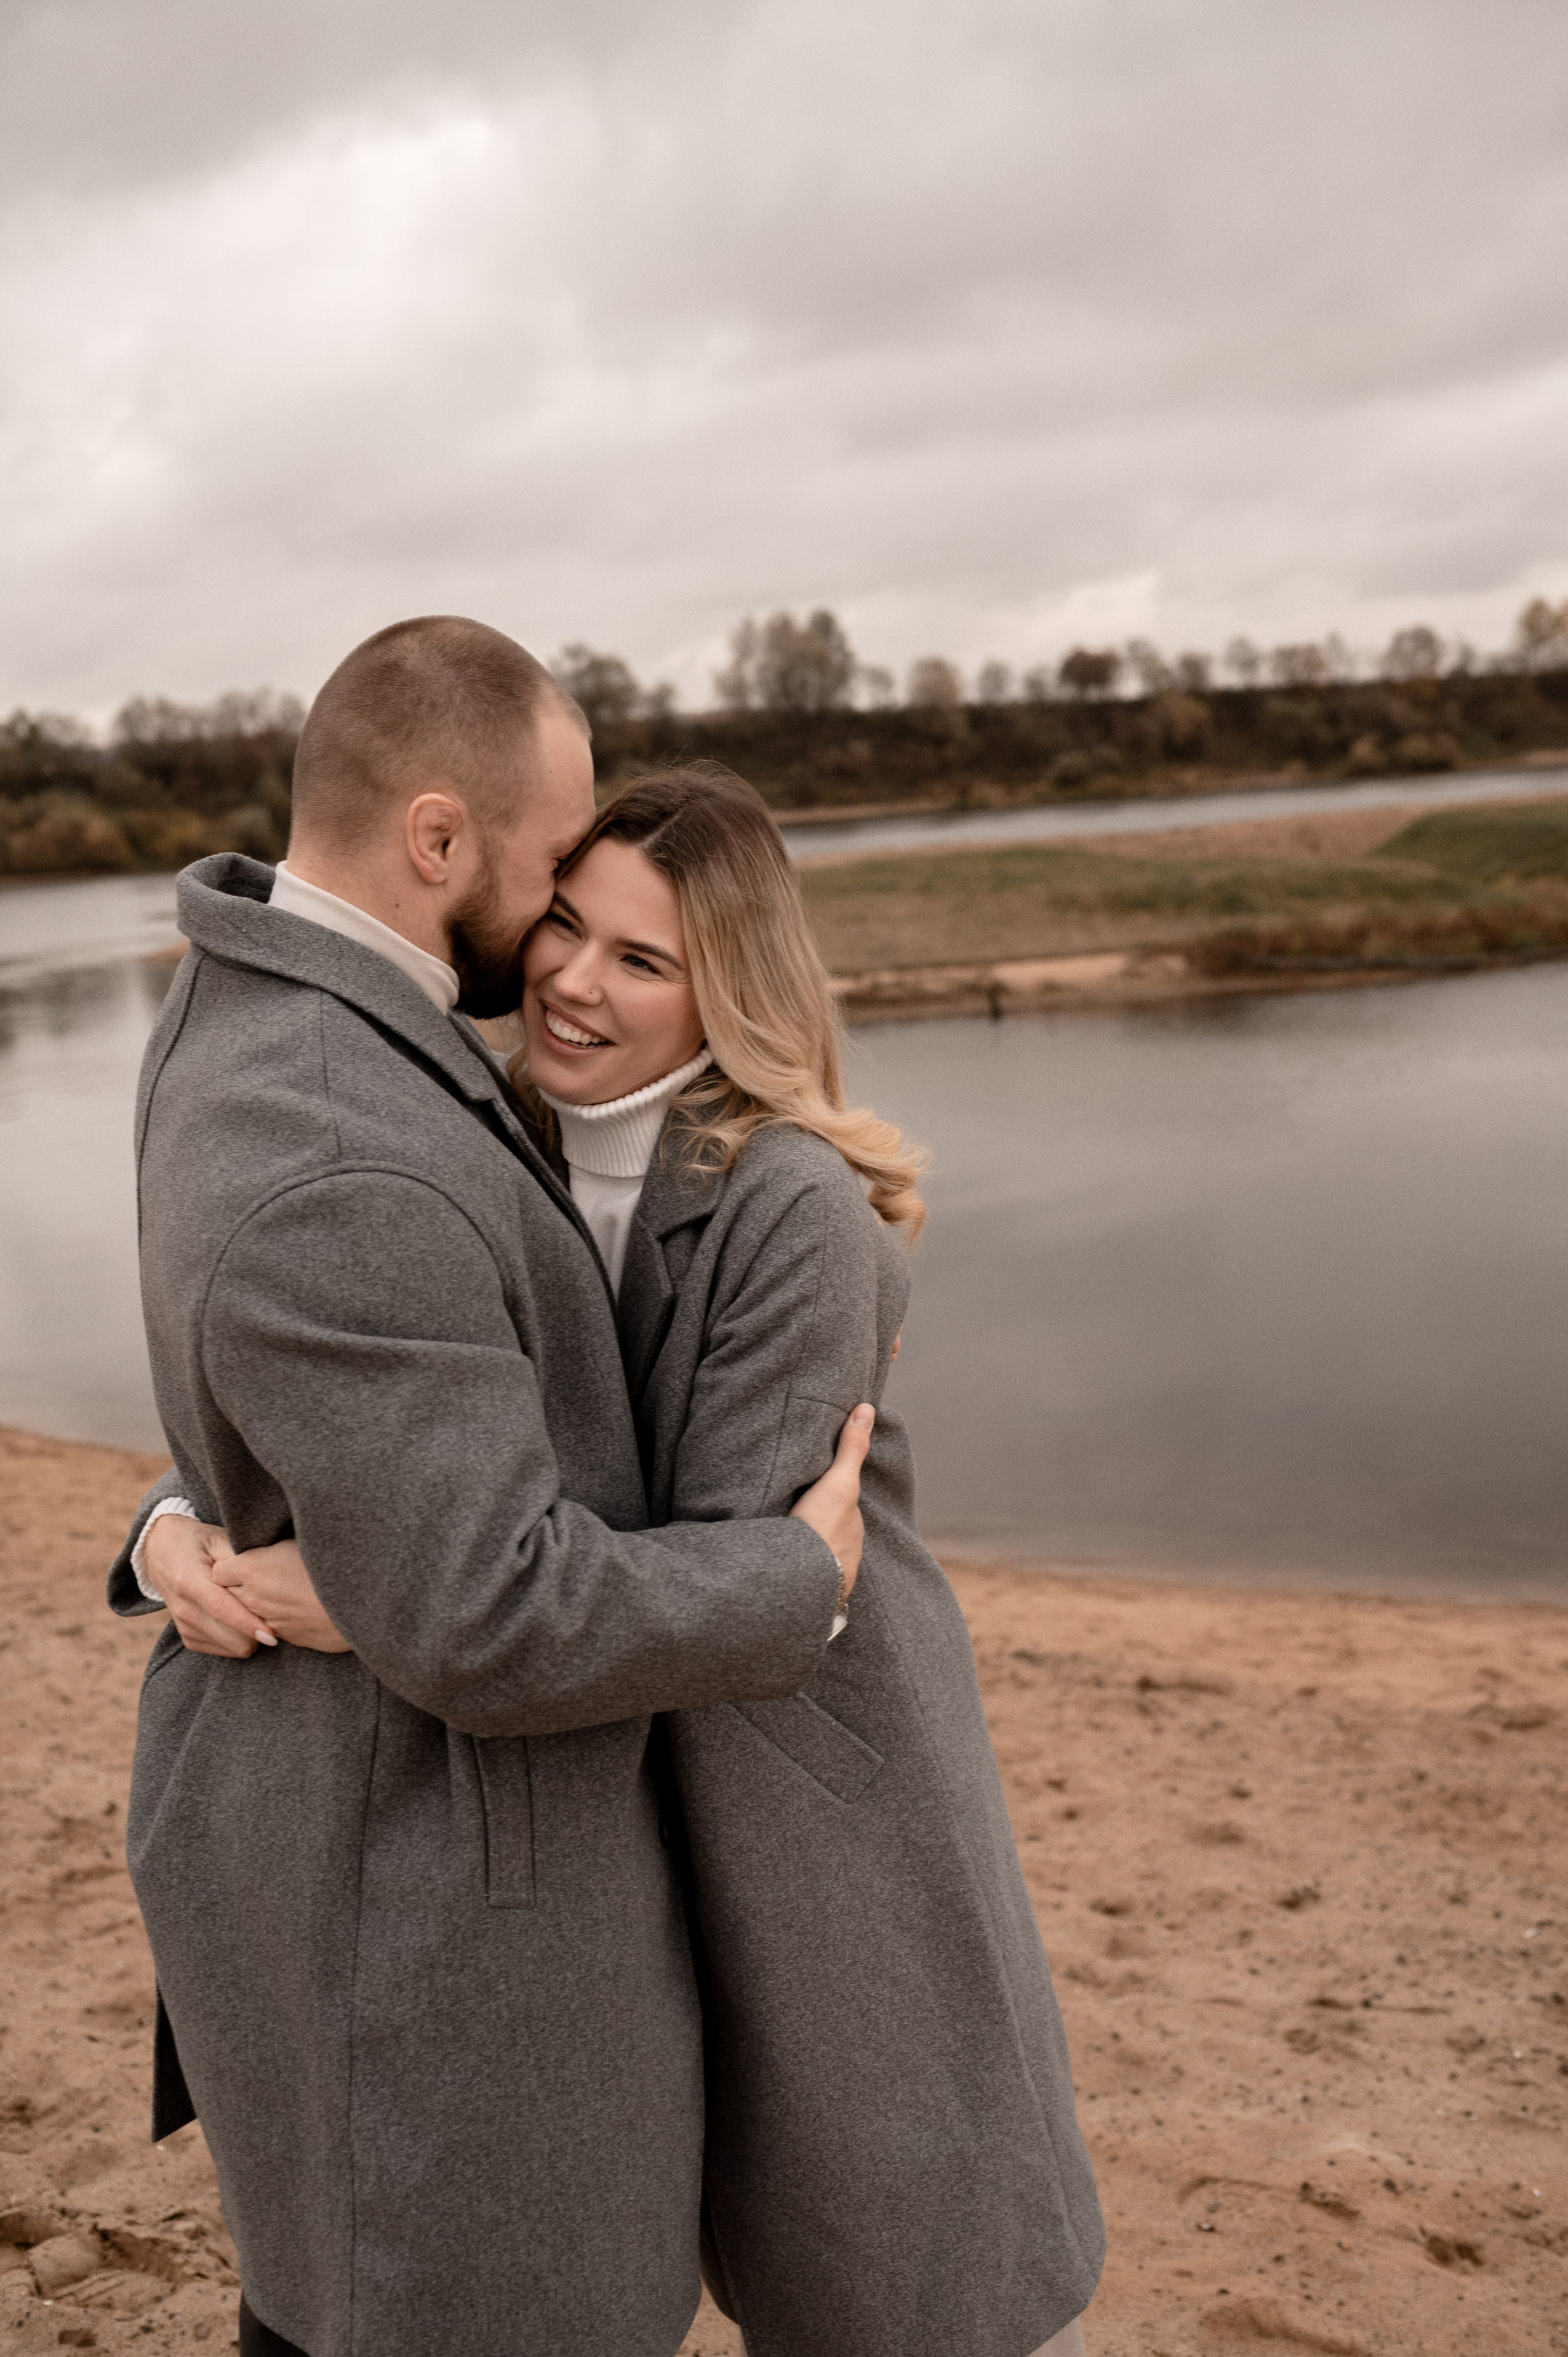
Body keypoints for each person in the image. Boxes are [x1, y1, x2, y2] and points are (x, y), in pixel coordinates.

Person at [141, 764, 1104, 2356]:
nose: (575, 982)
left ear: (730, 994)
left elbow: (728, 1555)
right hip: (613, 1770)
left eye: (643, 959)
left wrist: (390, 1590)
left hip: (803, 1777)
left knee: (893, 2260)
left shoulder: (794, 1213)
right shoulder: (489, 1121)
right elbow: (374, 1385)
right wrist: (179, 1515)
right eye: (566, 925)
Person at [108, 624, 875, 2357]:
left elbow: (305, 1382)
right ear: (438, 838)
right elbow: (489, 1611)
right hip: (425, 1909)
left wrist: (180, 1527)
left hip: (346, 1848)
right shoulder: (338, 1132)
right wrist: (794, 1580)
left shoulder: (265, 1009)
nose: (554, 945)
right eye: (550, 875)